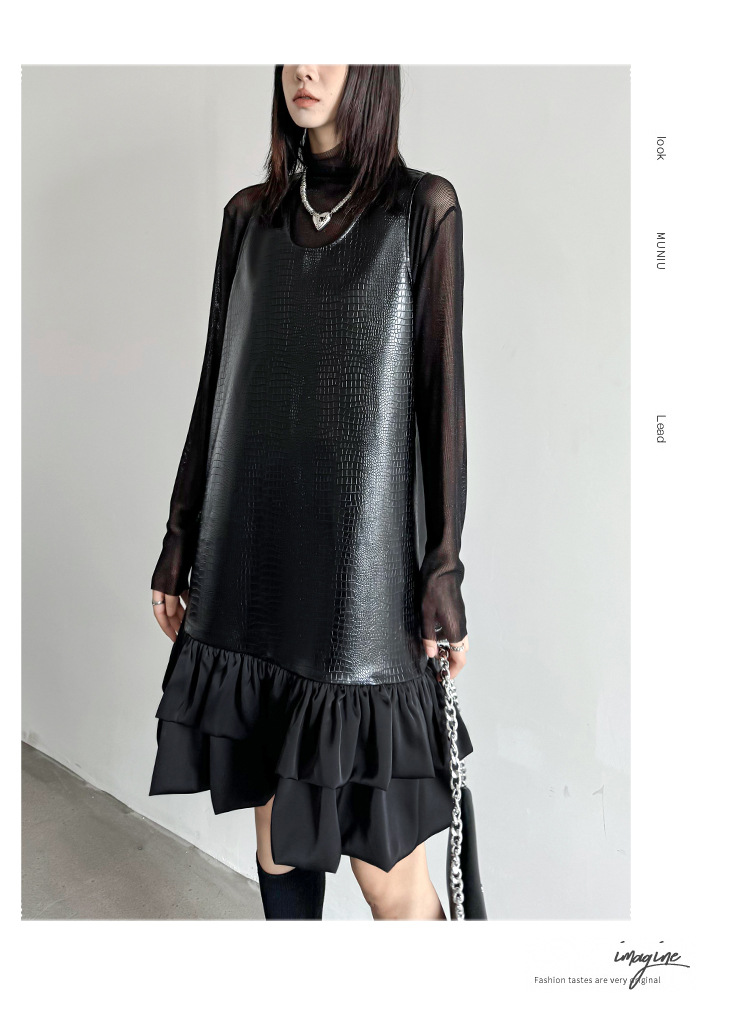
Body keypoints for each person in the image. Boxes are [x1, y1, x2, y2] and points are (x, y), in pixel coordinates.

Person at [148, 64, 472, 921]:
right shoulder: (249, 219)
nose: (307, 66)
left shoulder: (421, 210)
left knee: (391, 878)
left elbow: (440, 399)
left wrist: (443, 568)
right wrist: (180, 536)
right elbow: (217, 387)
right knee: (278, 839)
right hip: (252, 564)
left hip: (361, 584)